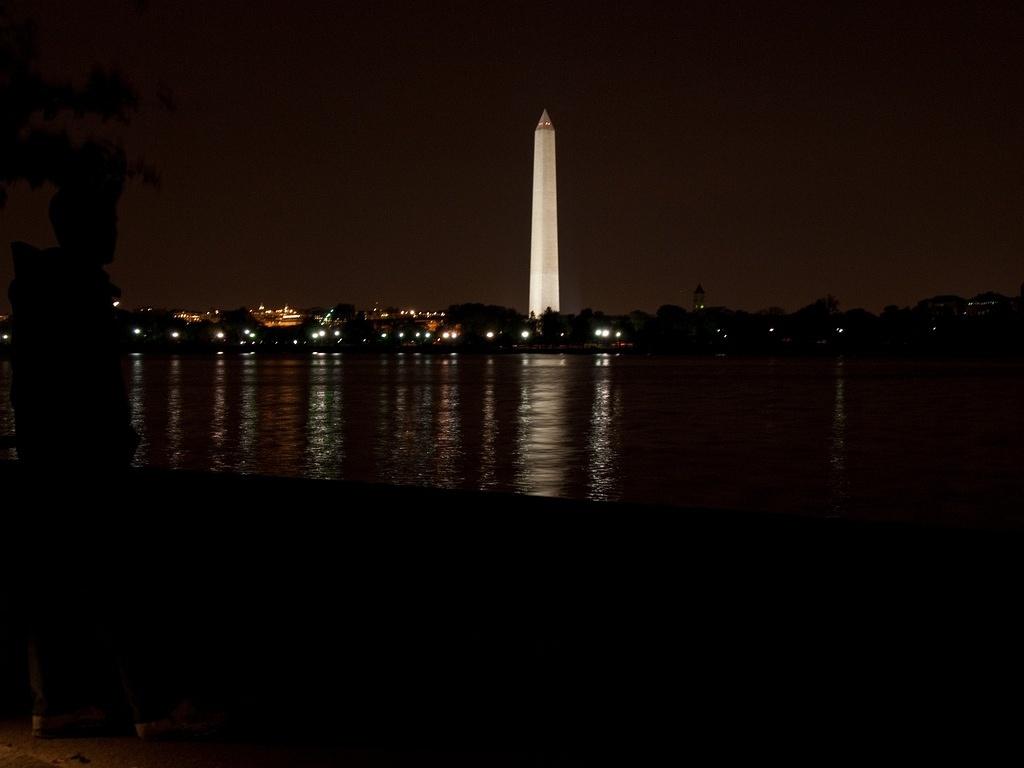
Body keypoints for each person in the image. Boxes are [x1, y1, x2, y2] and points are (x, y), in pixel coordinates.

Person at [8, 142, 222, 740]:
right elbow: (84, 388)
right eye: (111, 222)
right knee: (125, 587)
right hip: (83, 462)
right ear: (86, 228)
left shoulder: (41, 292)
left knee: (53, 590)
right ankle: (153, 708)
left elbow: (35, 390)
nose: (117, 233)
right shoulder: (74, 295)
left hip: (49, 460)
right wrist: (112, 438)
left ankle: (54, 705)